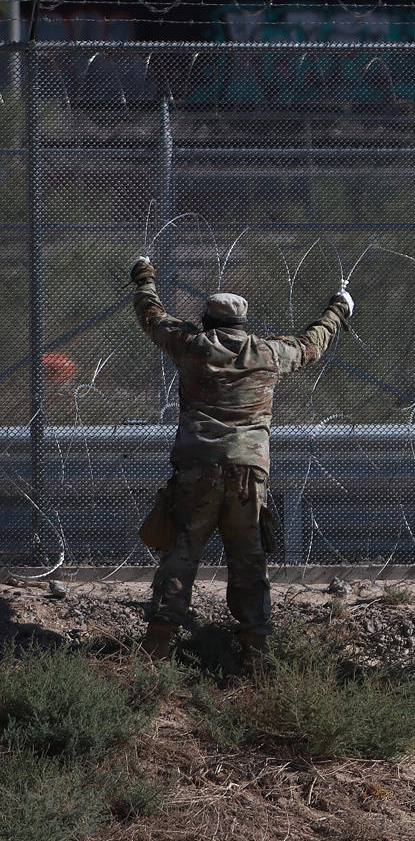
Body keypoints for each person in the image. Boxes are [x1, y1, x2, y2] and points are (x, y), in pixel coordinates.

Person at [129, 256, 353, 662]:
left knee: (181, 553)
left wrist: (145, 275)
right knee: (248, 558)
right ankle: (255, 648)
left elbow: (152, 315)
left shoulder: (191, 345)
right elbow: (311, 344)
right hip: (249, 471)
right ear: (242, 323)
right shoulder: (269, 354)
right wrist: (338, 307)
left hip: (197, 467)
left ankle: (158, 643)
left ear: (206, 320)